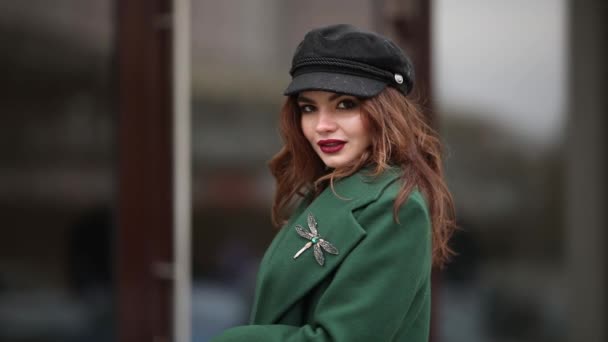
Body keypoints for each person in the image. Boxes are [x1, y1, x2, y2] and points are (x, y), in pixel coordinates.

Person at [211, 24, 455, 341]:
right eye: (308, 108)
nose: (322, 125)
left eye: (344, 105)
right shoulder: (325, 191)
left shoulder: (396, 209)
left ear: (385, 113)